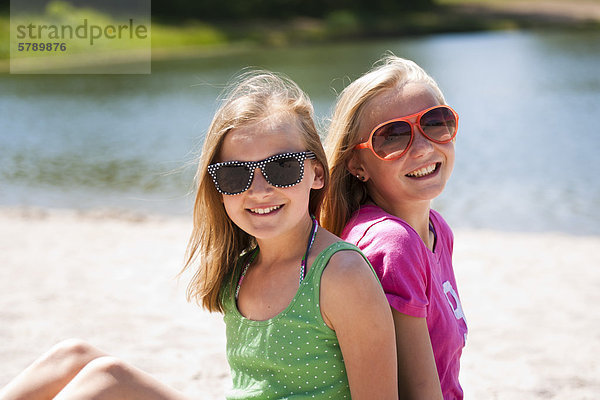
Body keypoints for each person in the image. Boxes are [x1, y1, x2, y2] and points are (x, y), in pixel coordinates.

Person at [0, 71, 397, 400]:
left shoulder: (340, 274)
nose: (258, 190)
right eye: (235, 174)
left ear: (317, 173)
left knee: (107, 376)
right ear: (218, 187)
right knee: (72, 356)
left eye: (281, 168)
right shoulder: (241, 269)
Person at [320, 55, 468, 400]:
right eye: (392, 136)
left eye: (434, 123)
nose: (421, 147)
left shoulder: (436, 229)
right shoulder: (392, 245)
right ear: (357, 164)